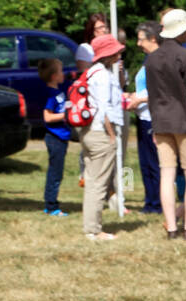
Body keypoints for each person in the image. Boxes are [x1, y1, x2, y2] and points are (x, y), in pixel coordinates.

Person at [147, 8, 186, 241]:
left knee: (166, 175)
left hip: (161, 122)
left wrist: (154, 124)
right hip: (185, 122)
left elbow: (152, 95)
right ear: (181, 30)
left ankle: (171, 228)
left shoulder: (151, 58)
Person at [81, 34, 125, 241]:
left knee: (92, 181)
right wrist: (110, 135)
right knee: (99, 183)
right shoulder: (103, 76)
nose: (119, 53)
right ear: (107, 54)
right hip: (100, 132)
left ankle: (91, 227)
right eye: (116, 51)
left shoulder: (92, 72)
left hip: (89, 131)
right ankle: (94, 230)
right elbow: (104, 107)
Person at [127, 22, 164, 216]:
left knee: (155, 164)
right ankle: (150, 202)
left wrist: (139, 99)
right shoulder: (148, 60)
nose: (138, 43)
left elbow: (163, 90)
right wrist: (134, 96)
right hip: (143, 117)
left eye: (141, 39)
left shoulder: (160, 61)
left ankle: (158, 203)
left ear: (153, 39)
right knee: (145, 164)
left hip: (154, 119)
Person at [38, 60, 71, 216]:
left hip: (62, 137)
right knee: (55, 173)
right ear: (53, 76)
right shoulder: (51, 94)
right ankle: (52, 206)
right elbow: (47, 117)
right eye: (60, 71)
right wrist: (65, 115)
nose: (63, 73)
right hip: (55, 138)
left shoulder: (59, 92)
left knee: (57, 172)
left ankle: (50, 204)